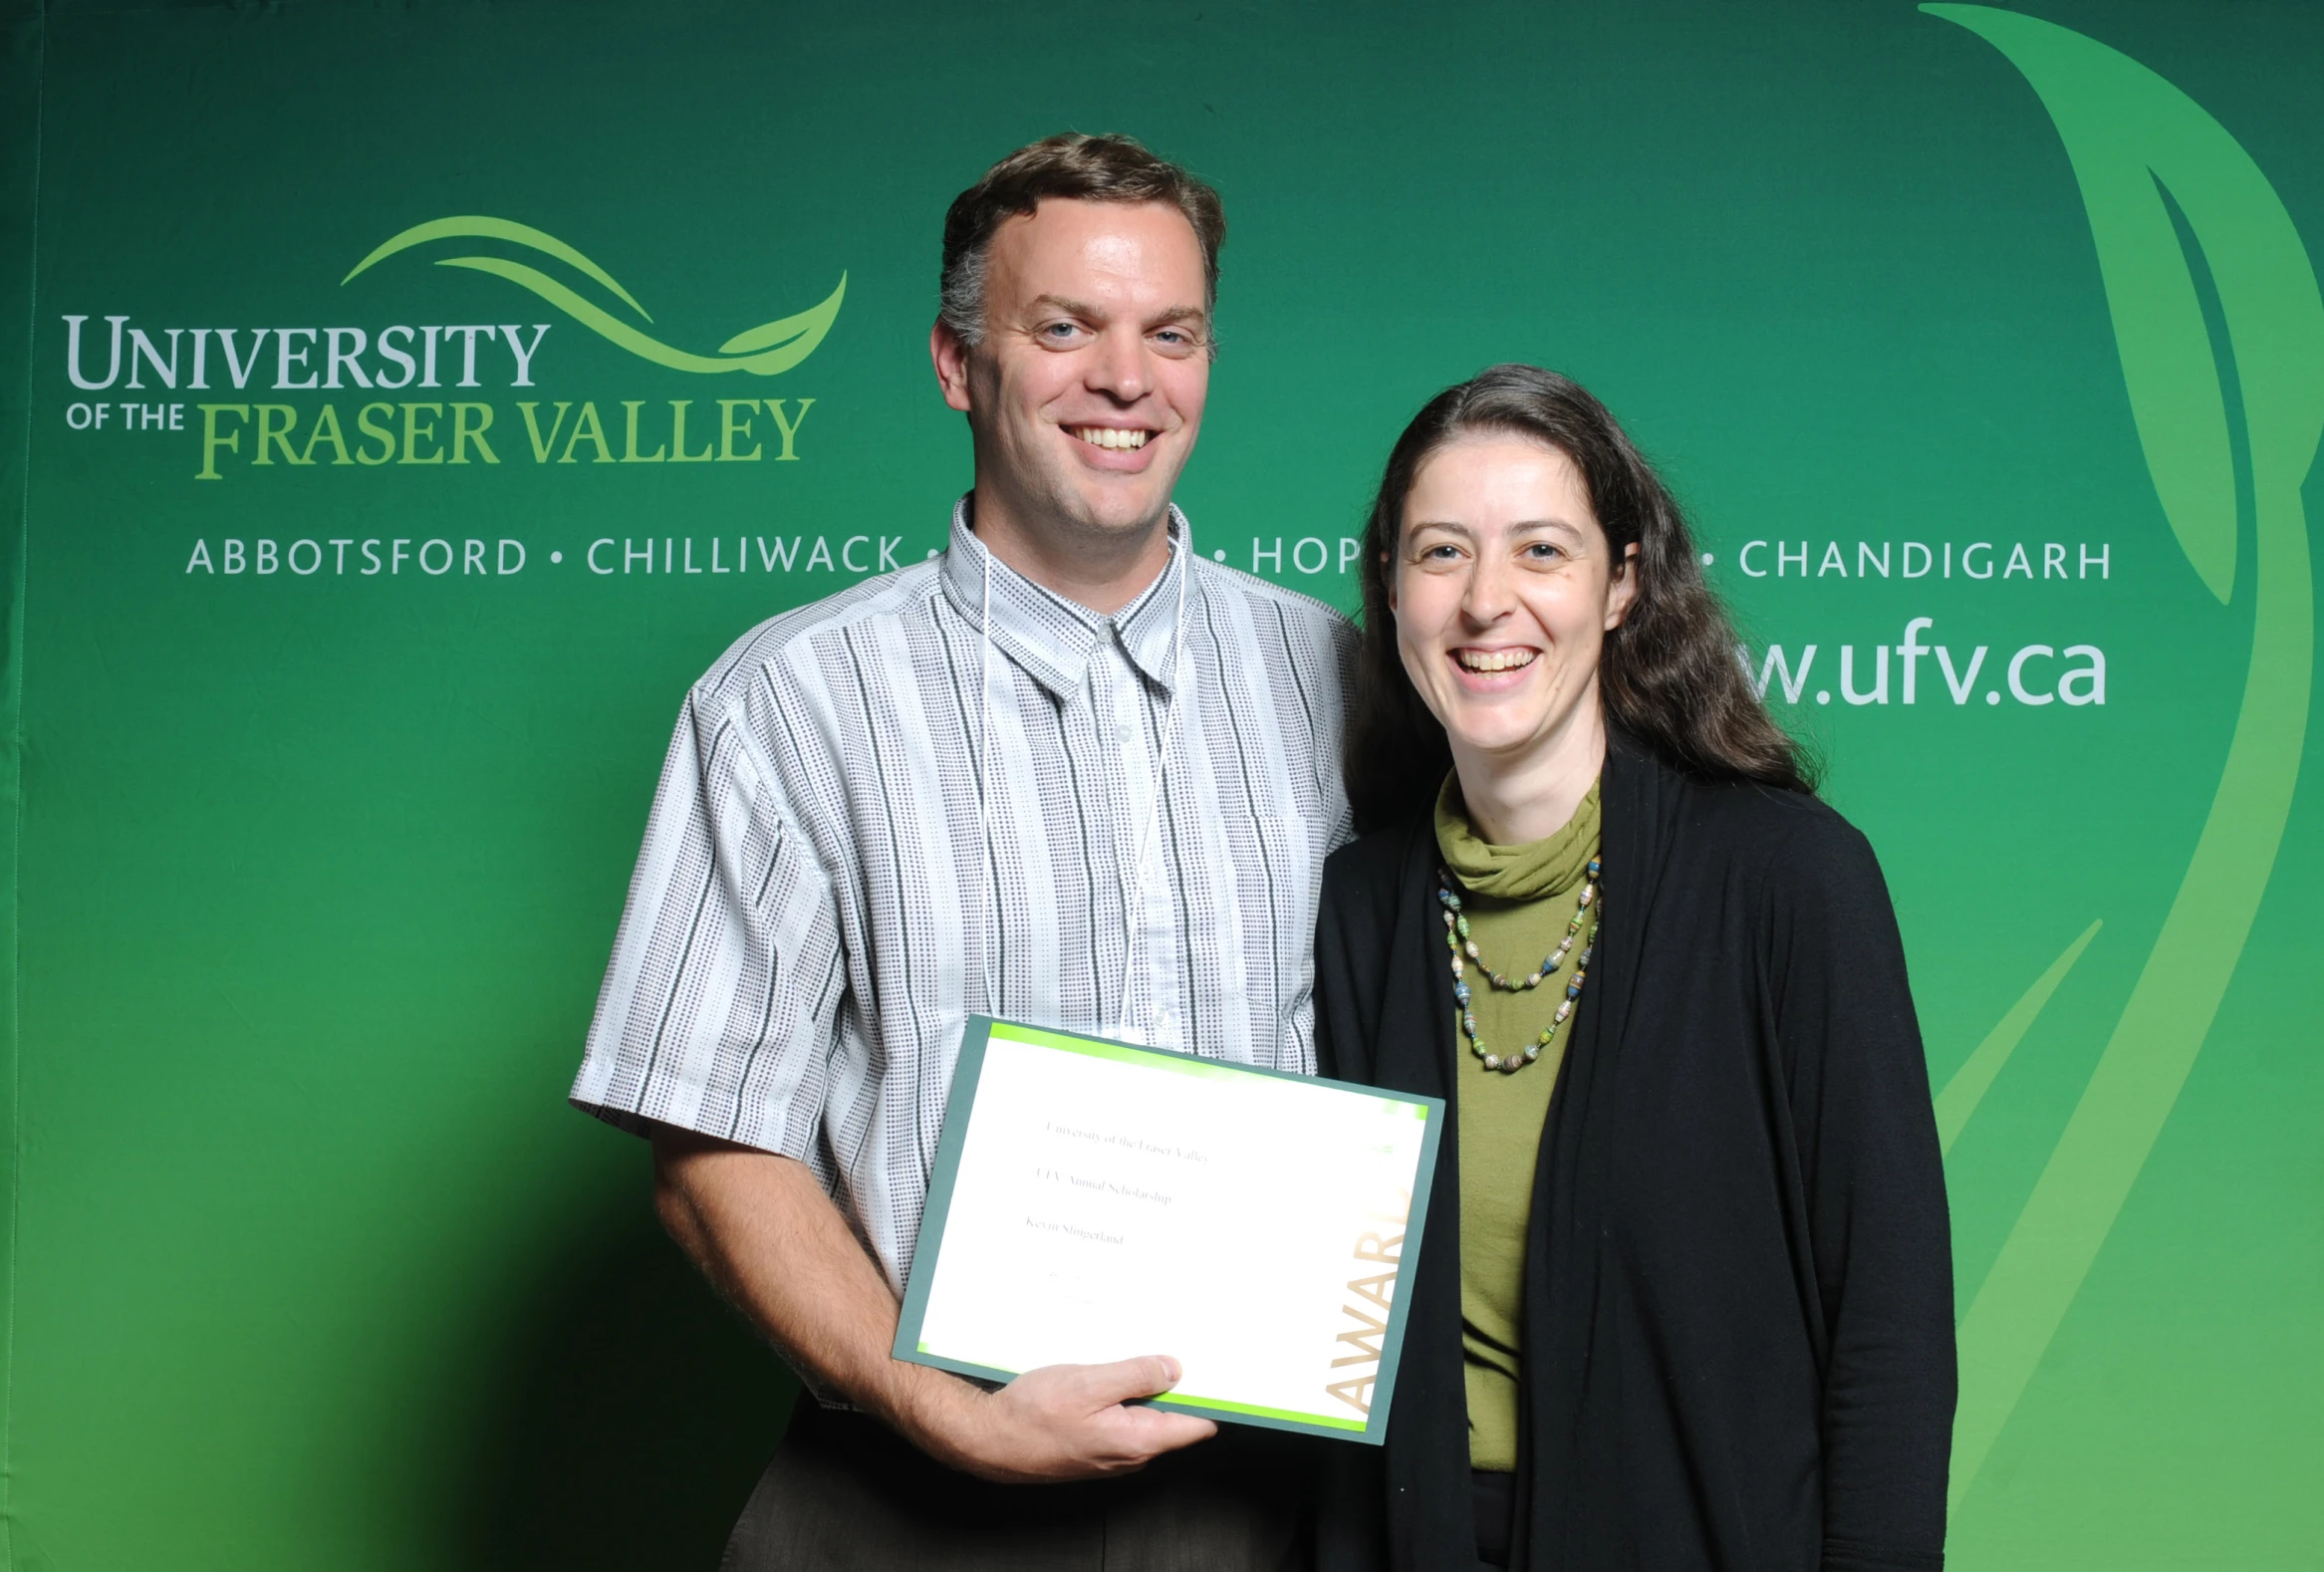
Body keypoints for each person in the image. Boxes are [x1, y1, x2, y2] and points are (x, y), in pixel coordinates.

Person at [569, 134, 1355, 1569]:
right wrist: (941, 1407)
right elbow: (706, 1139)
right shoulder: (790, 700)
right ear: (954, 363)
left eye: (1168, 333)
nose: (1125, 379)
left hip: (1283, 1500)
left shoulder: (1344, 681)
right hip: (910, 1494)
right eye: (1063, 328)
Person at [1311, 366, 1954, 1572]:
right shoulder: (1357, 910)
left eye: (1540, 552)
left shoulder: (1787, 883)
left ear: (1621, 585)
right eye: (1440, 552)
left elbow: (1889, 1327)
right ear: (1389, 593)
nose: (1484, 602)